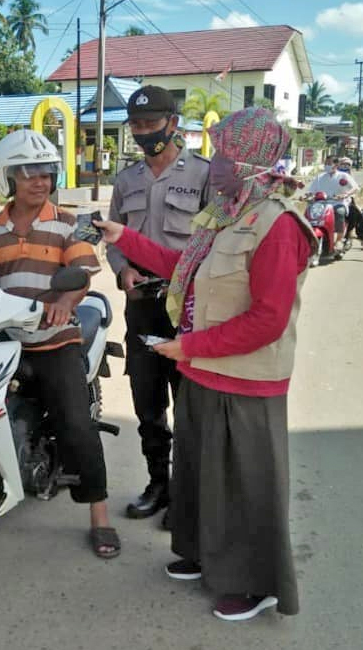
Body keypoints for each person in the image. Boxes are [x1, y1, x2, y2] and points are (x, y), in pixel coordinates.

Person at [94, 107, 314, 621]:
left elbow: (268, 319)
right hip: (204, 372)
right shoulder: (227, 212)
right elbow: (180, 267)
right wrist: (121, 237)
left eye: (222, 154)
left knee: (245, 483)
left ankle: (255, 583)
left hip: (246, 380)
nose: (212, 164)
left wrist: (190, 348)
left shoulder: (278, 225)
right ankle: (202, 556)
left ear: (247, 162)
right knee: (199, 474)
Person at [0, 129, 120, 559]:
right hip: (4, 340)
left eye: (46, 172)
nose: (39, 180)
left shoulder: (67, 223)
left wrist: (61, 300)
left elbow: (83, 274)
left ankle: (99, 514)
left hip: (55, 339)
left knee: (76, 424)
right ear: (8, 177)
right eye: (28, 172)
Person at [107, 86, 210, 526]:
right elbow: (111, 237)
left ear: (173, 124)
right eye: (136, 126)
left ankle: (188, 493)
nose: (144, 134)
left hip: (187, 308)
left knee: (189, 404)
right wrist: (121, 270)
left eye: (152, 125)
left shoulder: (203, 176)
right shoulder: (125, 180)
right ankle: (158, 484)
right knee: (147, 402)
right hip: (143, 305)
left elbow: (214, 243)